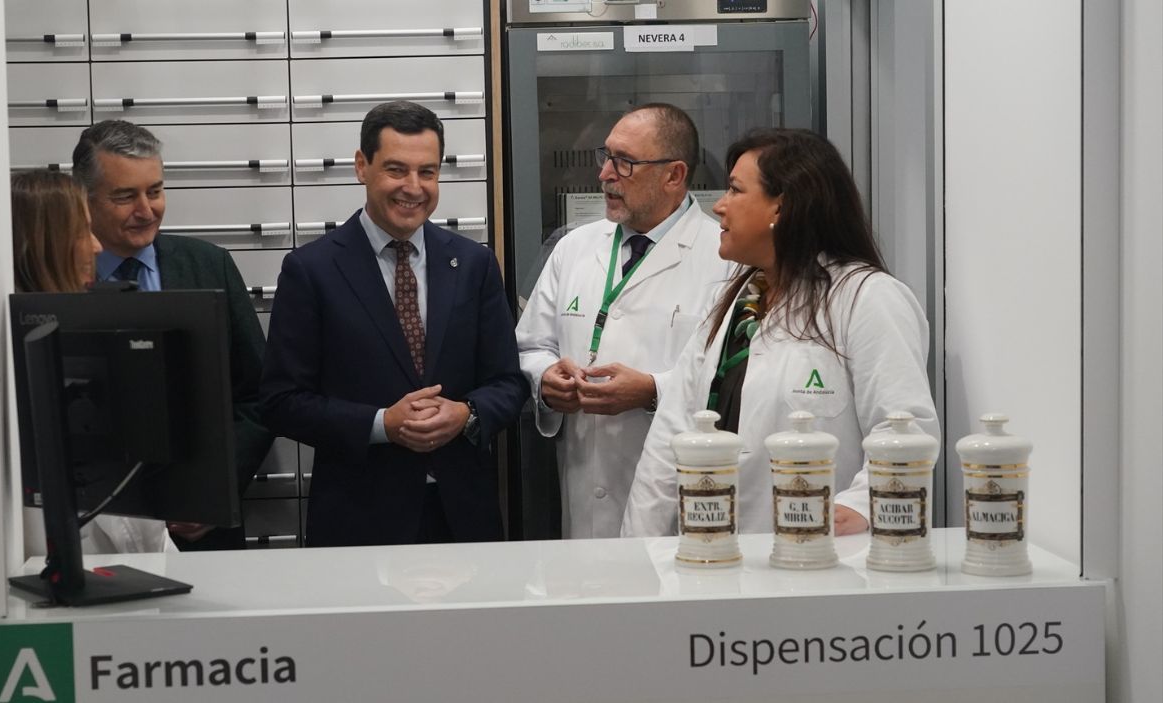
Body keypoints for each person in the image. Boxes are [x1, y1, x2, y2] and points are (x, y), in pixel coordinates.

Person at [621, 128, 939, 537]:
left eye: (735, 190)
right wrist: (637, 554)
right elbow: (669, 441)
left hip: (820, 561)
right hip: (713, 555)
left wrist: (857, 507)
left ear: (782, 207)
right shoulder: (734, 303)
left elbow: (906, 429)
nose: (719, 206)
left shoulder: (868, 299)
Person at [258, 101, 527, 547]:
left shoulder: (474, 263)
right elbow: (282, 401)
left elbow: (508, 383)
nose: (414, 188)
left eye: (428, 172)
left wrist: (466, 414)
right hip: (358, 519)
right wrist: (384, 423)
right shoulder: (312, 270)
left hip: (462, 516)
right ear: (362, 166)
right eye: (397, 170)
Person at [514, 104, 736, 539]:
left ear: (674, 175)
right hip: (580, 493)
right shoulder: (574, 247)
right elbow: (532, 345)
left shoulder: (724, 259)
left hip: (678, 504)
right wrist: (546, 379)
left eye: (625, 163)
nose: (605, 175)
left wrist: (652, 391)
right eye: (607, 156)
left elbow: (731, 377)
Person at [72, 120, 273, 551]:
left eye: (155, 191)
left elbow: (258, 395)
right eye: (125, 196)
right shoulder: (62, 278)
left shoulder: (209, 265)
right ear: (84, 200)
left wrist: (214, 491)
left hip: (204, 527)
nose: (146, 210)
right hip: (96, 529)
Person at [11, 169, 171, 554]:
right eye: (83, 232)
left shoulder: (86, 344)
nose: (96, 248)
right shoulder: (10, 372)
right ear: (45, 245)